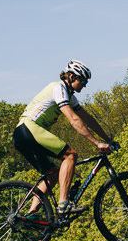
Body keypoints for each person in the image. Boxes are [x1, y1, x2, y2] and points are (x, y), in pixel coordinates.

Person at [13, 60, 114, 217]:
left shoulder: (69, 96)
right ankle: (63, 205)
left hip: (22, 135)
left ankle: (31, 214)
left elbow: (89, 119)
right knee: (70, 155)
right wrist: (96, 143)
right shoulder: (58, 88)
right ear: (72, 77)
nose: (85, 85)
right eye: (83, 80)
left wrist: (107, 139)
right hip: (29, 129)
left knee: (53, 174)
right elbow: (73, 119)